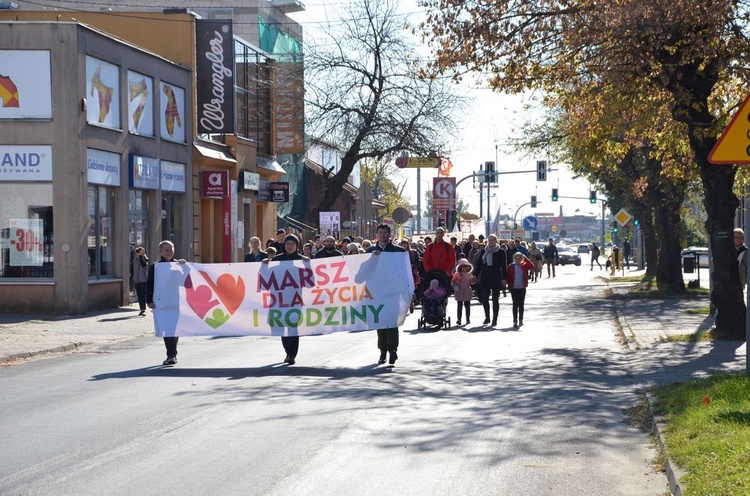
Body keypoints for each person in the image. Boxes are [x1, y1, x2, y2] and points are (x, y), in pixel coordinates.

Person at [265, 234, 308, 365]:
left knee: (293, 326)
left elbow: (310, 280)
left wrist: (308, 265)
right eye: (288, 243)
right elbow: (267, 277)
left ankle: (292, 354)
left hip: (295, 299)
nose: (290, 246)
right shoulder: (277, 259)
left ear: (297, 245)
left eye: (293, 244)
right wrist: (265, 265)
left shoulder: (302, 260)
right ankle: (287, 351)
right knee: (282, 325)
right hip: (279, 299)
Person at [366, 224, 405, 365]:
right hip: (376, 293)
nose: (382, 235)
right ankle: (382, 351)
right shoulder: (370, 251)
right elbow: (363, 272)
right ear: (377, 235)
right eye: (380, 232)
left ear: (389, 234)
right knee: (381, 323)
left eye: (385, 232)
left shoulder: (398, 251)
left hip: (393, 292)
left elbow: (404, 272)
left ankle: (393, 350)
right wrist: (372, 258)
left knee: (392, 322)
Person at [146, 240, 186, 365]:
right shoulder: (156, 267)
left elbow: (187, 282)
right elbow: (150, 284)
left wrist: (185, 267)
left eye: (171, 249)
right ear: (160, 251)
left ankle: (172, 355)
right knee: (166, 329)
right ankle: (171, 354)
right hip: (162, 303)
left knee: (174, 329)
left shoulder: (179, 265)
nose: (169, 252)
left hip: (176, 303)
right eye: (166, 250)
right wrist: (149, 300)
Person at [472, 234, 507, 327]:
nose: (490, 242)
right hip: (485, 277)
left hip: (496, 277)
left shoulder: (500, 252)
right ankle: (487, 317)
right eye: (489, 240)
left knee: (495, 299)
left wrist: (504, 278)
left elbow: (503, 266)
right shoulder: (484, 251)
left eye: (492, 240)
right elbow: (479, 264)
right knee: (484, 299)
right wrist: (475, 275)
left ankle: (495, 318)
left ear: (496, 241)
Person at [507, 252, 535, 328]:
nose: (517, 261)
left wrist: (525, 258)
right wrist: (508, 285)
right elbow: (508, 276)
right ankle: (515, 320)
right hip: (514, 287)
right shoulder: (511, 266)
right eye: (516, 259)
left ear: (521, 259)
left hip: (522, 287)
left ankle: (521, 319)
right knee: (515, 304)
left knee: (521, 304)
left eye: (519, 259)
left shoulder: (524, 265)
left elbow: (531, 266)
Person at [451, 258, 475, 326]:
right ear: (460, 267)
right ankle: (459, 319)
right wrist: (455, 283)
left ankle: (468, 318)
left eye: (465, 266)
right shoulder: (457, 274)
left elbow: (471, 282)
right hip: (459, 292)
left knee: (467, 306)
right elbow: (452, 282)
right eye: (462, 266)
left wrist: (473, 280)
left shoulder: (469, 274)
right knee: (459, 306)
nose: (464, 268)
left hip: (467, 291)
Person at [132, 246, 149, 316]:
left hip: (143, 280)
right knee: (139, 295)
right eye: (137, 253)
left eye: (139, 252)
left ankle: (143, 309)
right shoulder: (135, 260)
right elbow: (133, 268)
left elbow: (144, 265)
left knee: (142, 294)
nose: (138, 254)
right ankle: (141, 308)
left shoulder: (146, 259)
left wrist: (141, 257)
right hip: (136, 280)